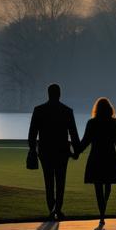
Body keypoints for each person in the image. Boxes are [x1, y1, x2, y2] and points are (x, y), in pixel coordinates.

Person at [28, 84, 81, 221]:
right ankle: (58, 209)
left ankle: (52, 209)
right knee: (61, 181)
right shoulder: (67, 111)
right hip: (62, 152)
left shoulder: (39, 110)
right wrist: (77, 151)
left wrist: (33, 150)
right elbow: (73, 134)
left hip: (45, 152)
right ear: (59, 94)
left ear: (48, 94)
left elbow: (32, 134)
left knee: (49, 181)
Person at [76, 96, 116, 226]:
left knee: (98, 186)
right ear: (110, 109)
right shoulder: (114, 122)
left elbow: (85, 141)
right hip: (110, 156)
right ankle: (103, 207)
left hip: (96, 157)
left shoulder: (92, 123)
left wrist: (76, 152)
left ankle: (102, 213)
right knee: (107, 184)